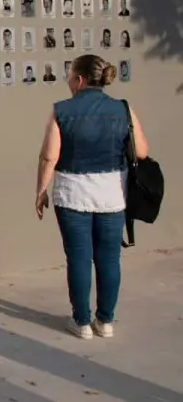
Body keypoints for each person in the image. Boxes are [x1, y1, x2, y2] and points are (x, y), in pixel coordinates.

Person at [35, 54, 148, 340]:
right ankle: (105, 321)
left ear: (80, 79)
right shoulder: (123, 109)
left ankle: (82, 322)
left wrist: (40, 191)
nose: (68, 81)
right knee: (110, 259)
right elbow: (143, 151)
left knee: (79, 258)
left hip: (72, 195)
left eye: (70, 75)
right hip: (112, 195)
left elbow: (50, 157)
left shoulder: (61, 110)